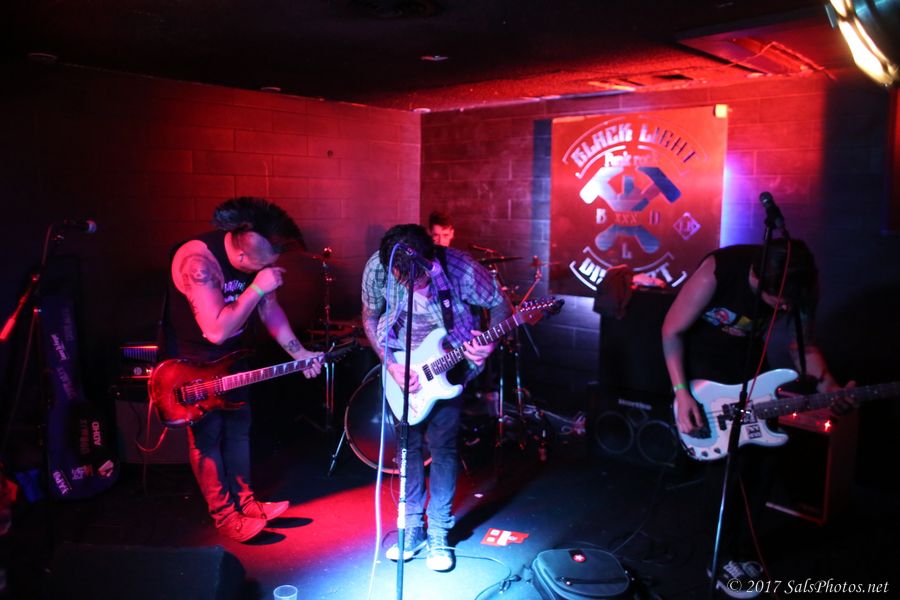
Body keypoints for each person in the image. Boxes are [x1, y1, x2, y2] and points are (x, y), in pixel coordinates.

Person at [661, 239, 850, 598]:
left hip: (750, 368)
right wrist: (681, 391)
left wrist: (829, 385)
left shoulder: (802, 285)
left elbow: (803, 345)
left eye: (789, 301)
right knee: (729, 467)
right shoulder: (717, 272)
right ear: (756, 277)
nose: (785, 307)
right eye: (778, 300)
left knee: (766, 460)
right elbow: (672, 330)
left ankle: (743, 549)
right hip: (702, 369)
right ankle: (718, 557)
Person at [160, 197, 322, 542]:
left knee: (238, 432)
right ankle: (225, 516)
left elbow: (269, 310)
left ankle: (247, 504)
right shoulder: (198, 260)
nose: (269, 270)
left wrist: (300, 354)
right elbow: (216, 331)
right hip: (193, 366)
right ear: (243, 256)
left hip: (234, 360)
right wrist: (258, 286)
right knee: (208, 440)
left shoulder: (256, 265)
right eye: (262, 266)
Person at [361, 224, 508, 571]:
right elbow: (370, 316)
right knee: (408, 450)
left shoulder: (461, 268)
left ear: (431, 260)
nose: (415, 287)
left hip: (450, 366)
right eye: (405, 281)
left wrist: (490, 341)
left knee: (443, 448)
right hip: (401, 369)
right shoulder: (378, 268)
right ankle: (413, 527)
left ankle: (440, 531)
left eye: (422, 278)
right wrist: (390, 363)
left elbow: (502, 305)